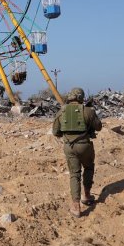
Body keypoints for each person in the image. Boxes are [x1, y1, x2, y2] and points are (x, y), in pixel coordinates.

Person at [52, 88, 103, 217]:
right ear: (81, 97)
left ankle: (76, 206)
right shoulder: (88, 111)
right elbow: (99, 127)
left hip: (69, 147)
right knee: (89, 168)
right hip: (85, 146)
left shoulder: (61, 111)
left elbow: (55, 132)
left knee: (74, 174)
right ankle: (86, 195)